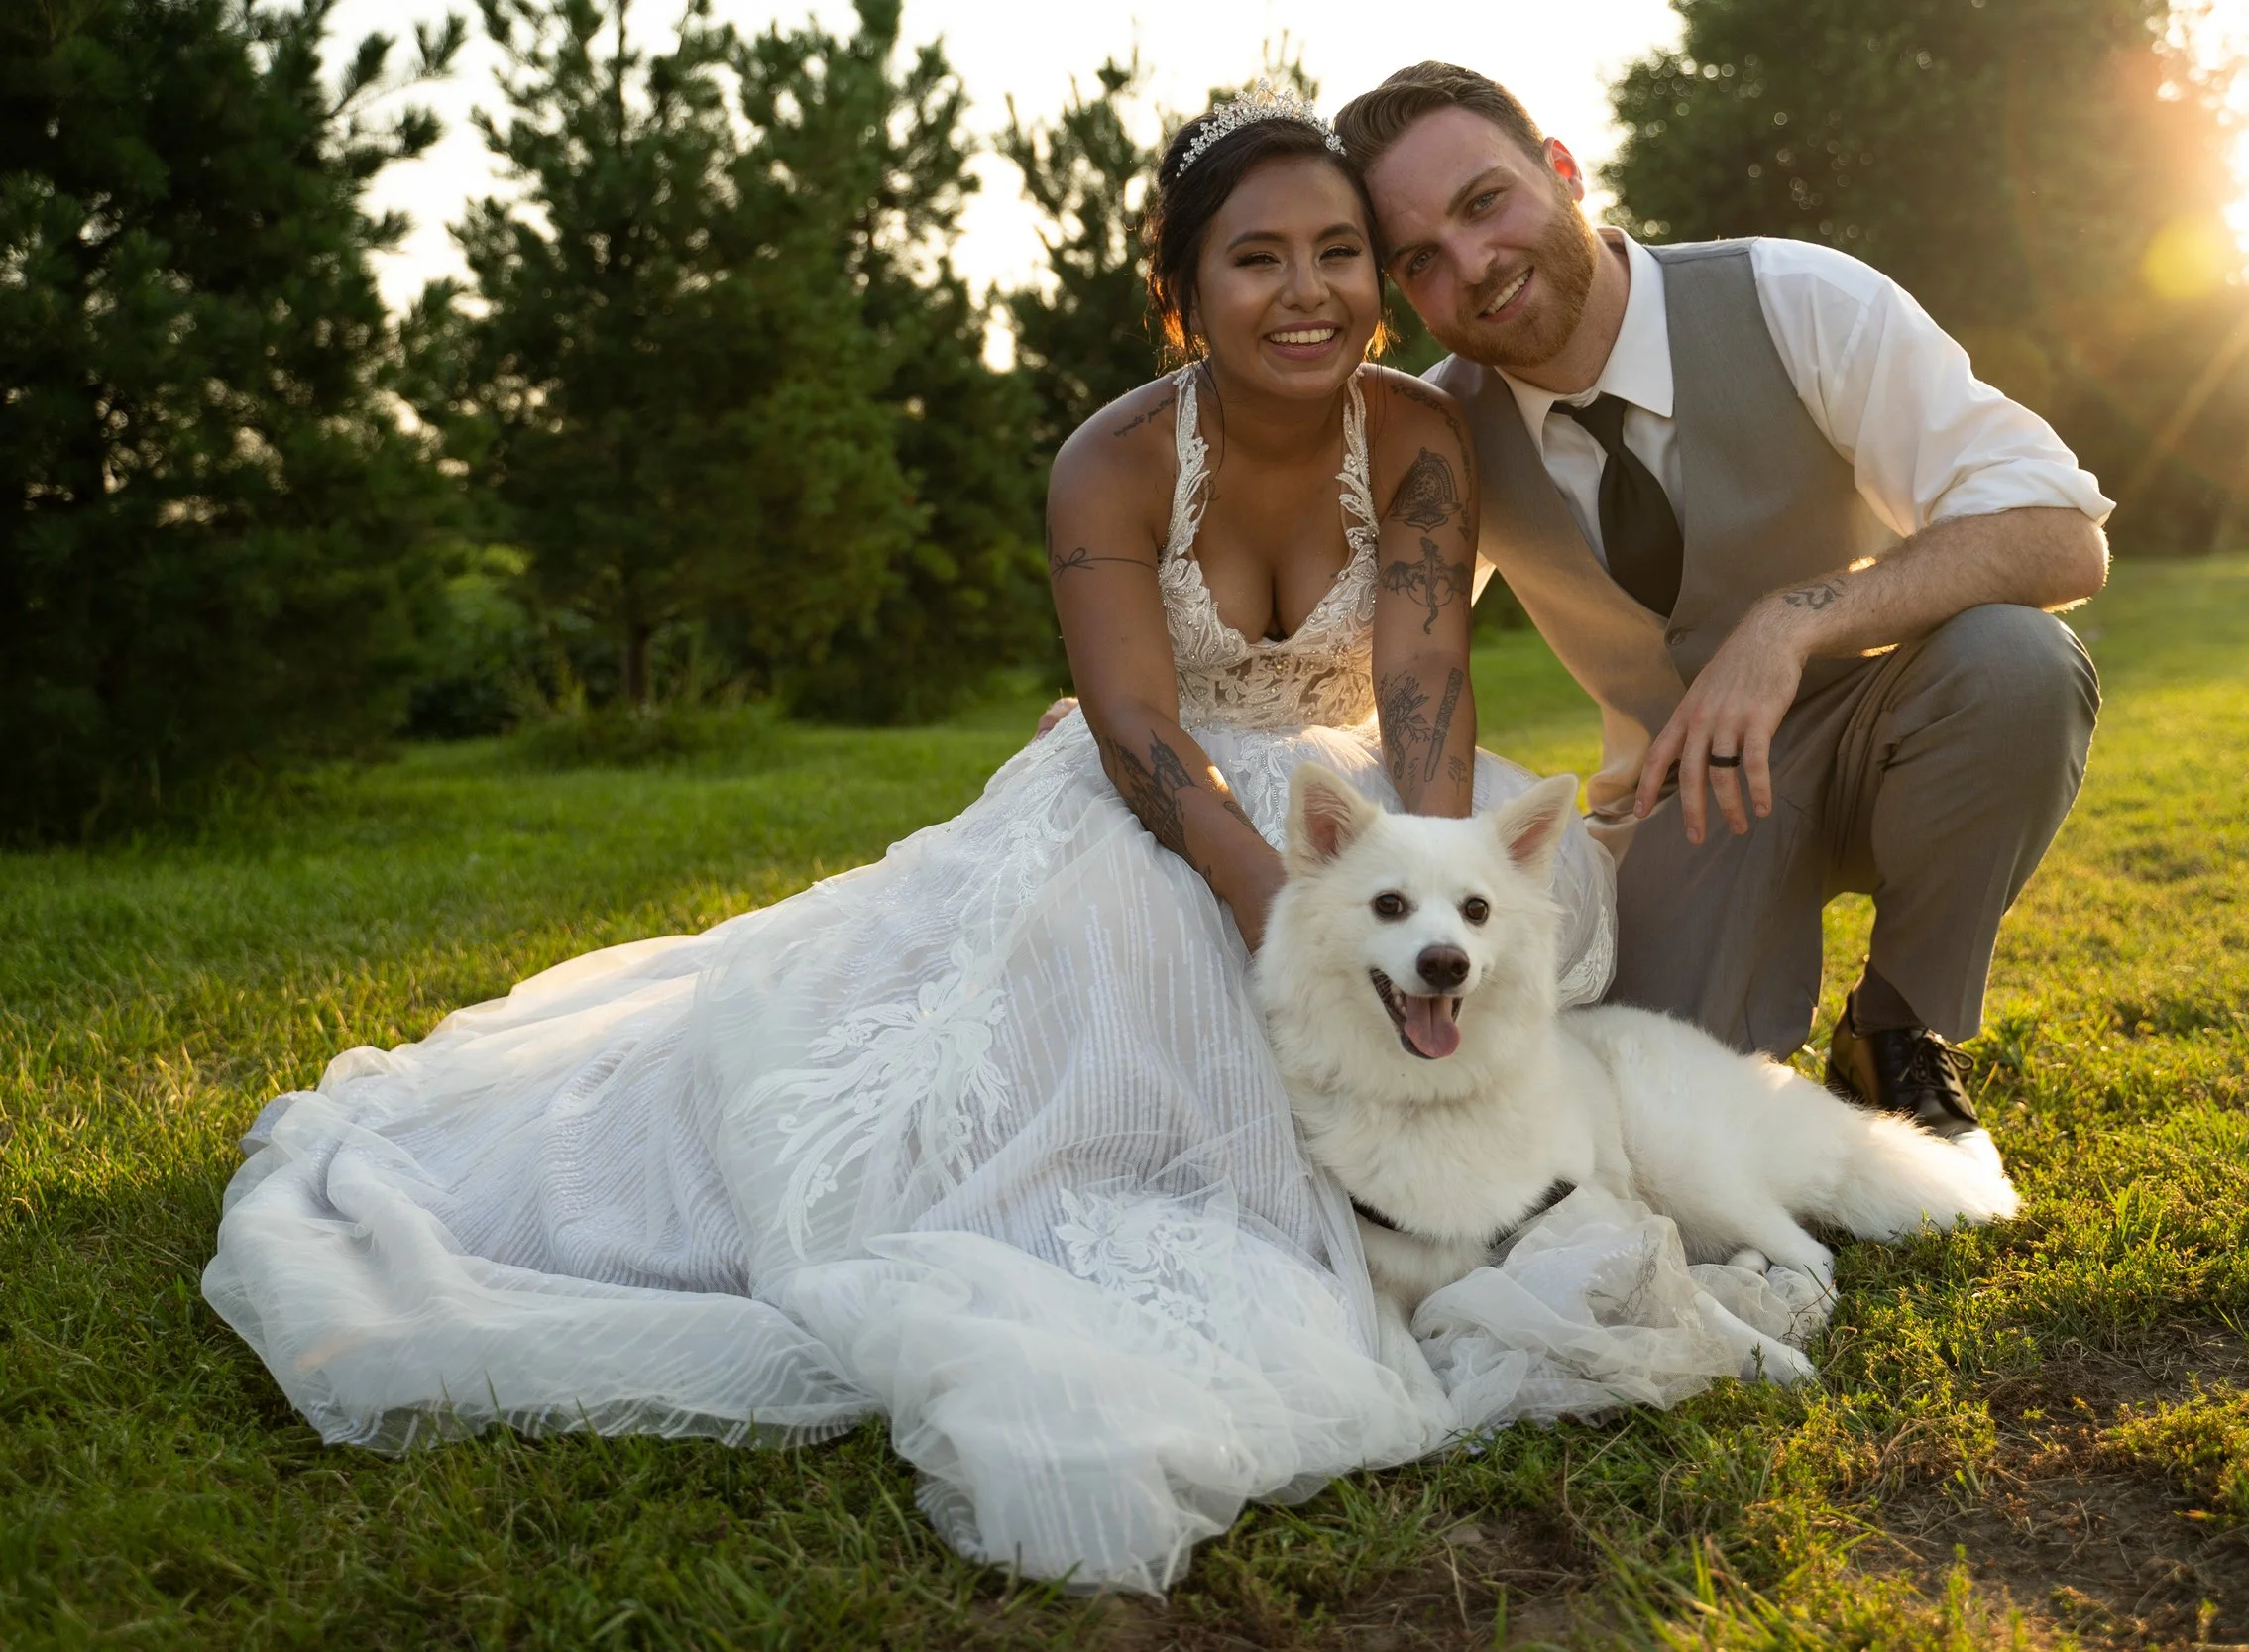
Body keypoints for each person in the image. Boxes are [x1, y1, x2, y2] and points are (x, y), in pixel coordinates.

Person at [203, 86, 1797, 1595]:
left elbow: (1426, 680)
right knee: (1075, 1073)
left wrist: (1437, 872)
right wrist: (1285, 916)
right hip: (1165, 818)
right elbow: (1137, 731)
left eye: (1337, 255)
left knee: (1476, 961)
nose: (1307, 292)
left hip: (1348, 800)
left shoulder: (1418, 437)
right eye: (1256, 259)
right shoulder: (1108, 460)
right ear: (1182, 295)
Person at [1330, 64, 2110, 1143]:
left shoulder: (1795, 297)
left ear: (1561, 170)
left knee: (2018, 664)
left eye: (1484, 202)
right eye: (1421, 259)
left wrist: (1792, 620)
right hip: (1677, 806)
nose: (1473, 266)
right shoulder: (1443, 434)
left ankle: (1893, 1028)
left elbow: (2059, 530)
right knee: (1658, 1119)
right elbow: (1362, 651)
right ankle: (1746, 1049)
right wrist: (1143, 709)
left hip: (1888, 739)